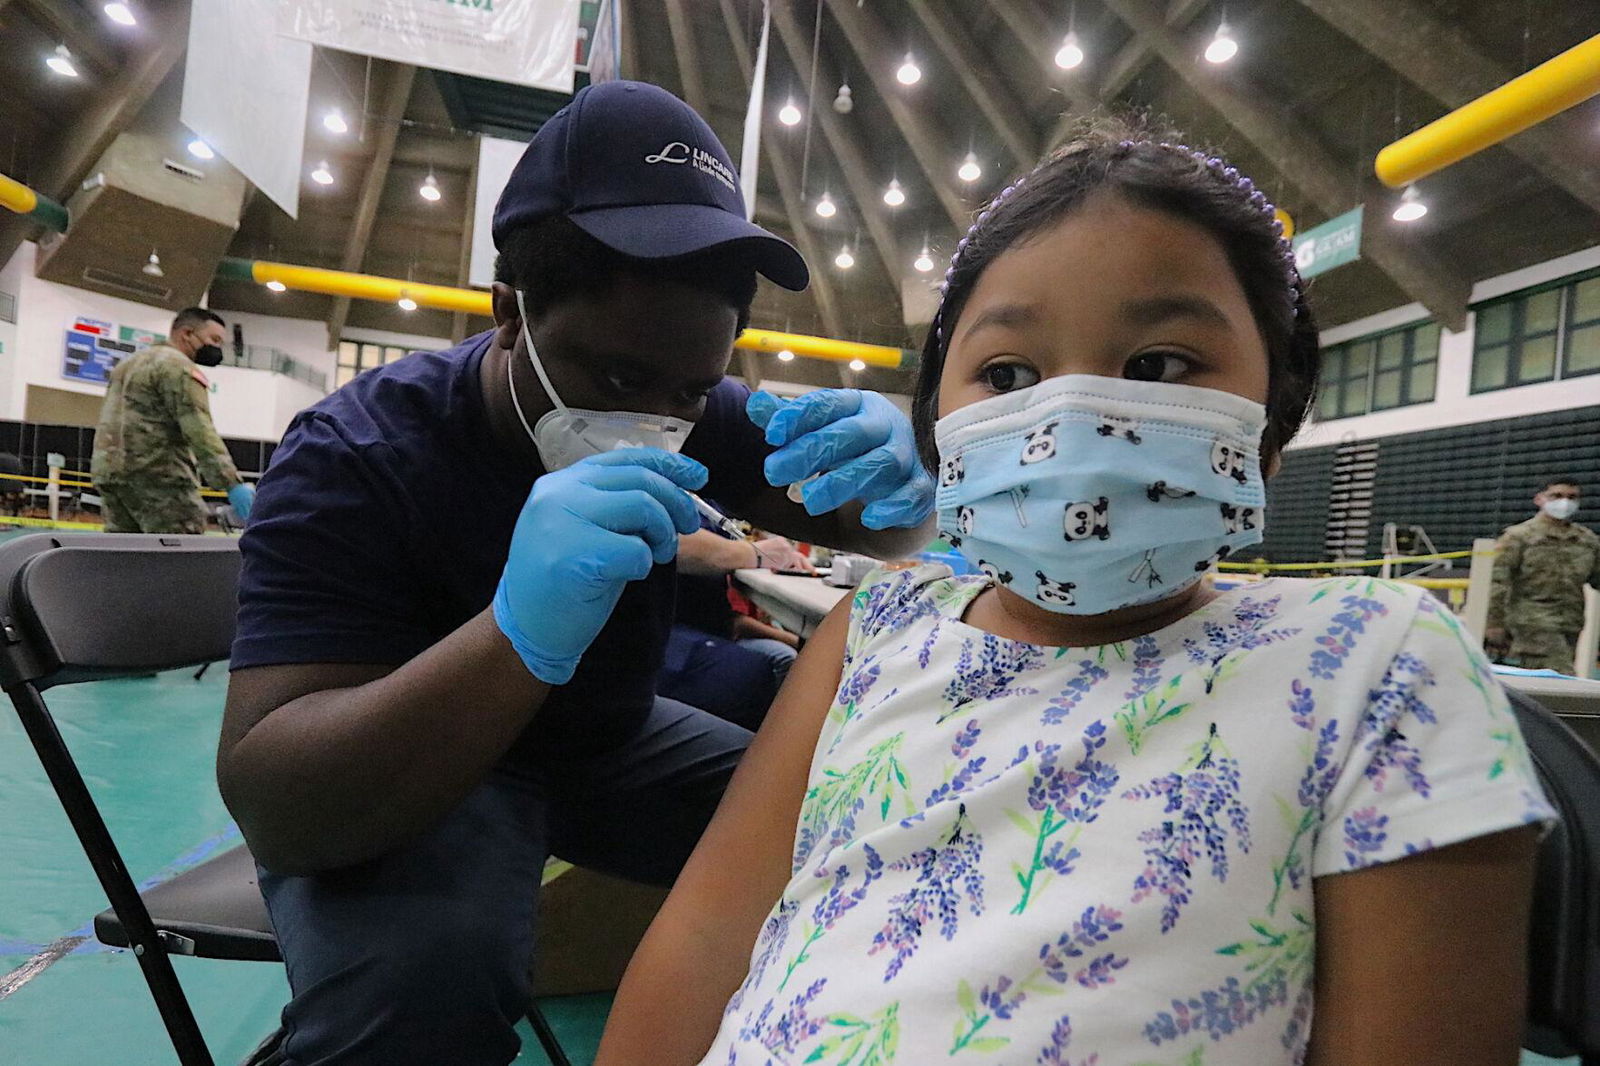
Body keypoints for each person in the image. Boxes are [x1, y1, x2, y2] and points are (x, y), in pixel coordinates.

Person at [596, 128, 1554, 1066]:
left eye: (1160, 366)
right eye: (1008, 375)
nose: (1072, 415)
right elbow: (708, 939)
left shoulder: (1373, 662)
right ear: (941, 424)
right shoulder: (876, 631)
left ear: (1273, 415)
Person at [218, 81, 933, 1066]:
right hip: (417, 770)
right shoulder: (354, 454)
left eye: (690, 387)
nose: (657, 415)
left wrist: (905, 488)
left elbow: (866, 523)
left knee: (861, 832)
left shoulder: (695, 405)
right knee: (430, 984)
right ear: (509, 312)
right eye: (616, 380)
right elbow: (277, 804)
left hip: (603, 743)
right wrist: (513, 631)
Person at [90, 307, 255, 533]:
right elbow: (199, 429)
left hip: (110, 476)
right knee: (180, 559)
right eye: (214, 340)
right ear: (187, 334)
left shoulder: (127, 364)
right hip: (159, 478)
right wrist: (231, 483)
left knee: (122, 558)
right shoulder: (179, 367)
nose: (217, 348)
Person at [658, 521, 807, 729]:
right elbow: (672, 540)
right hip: (679, 637)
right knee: (769, 665)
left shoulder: (710, 512)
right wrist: (752, 553)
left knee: (780, 659)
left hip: (706, 632)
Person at [1486, 478, 1600, 673]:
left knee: (1545, 684)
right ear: (1539, 499)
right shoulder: (1519, 537)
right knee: (1561, 678)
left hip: (1570, 623)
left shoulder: (1586, 540)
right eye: (1556, 495)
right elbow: (1497, 581)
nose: (1564, 502)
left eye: (1572, 497)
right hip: (1531, 622)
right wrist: (1494, 623)